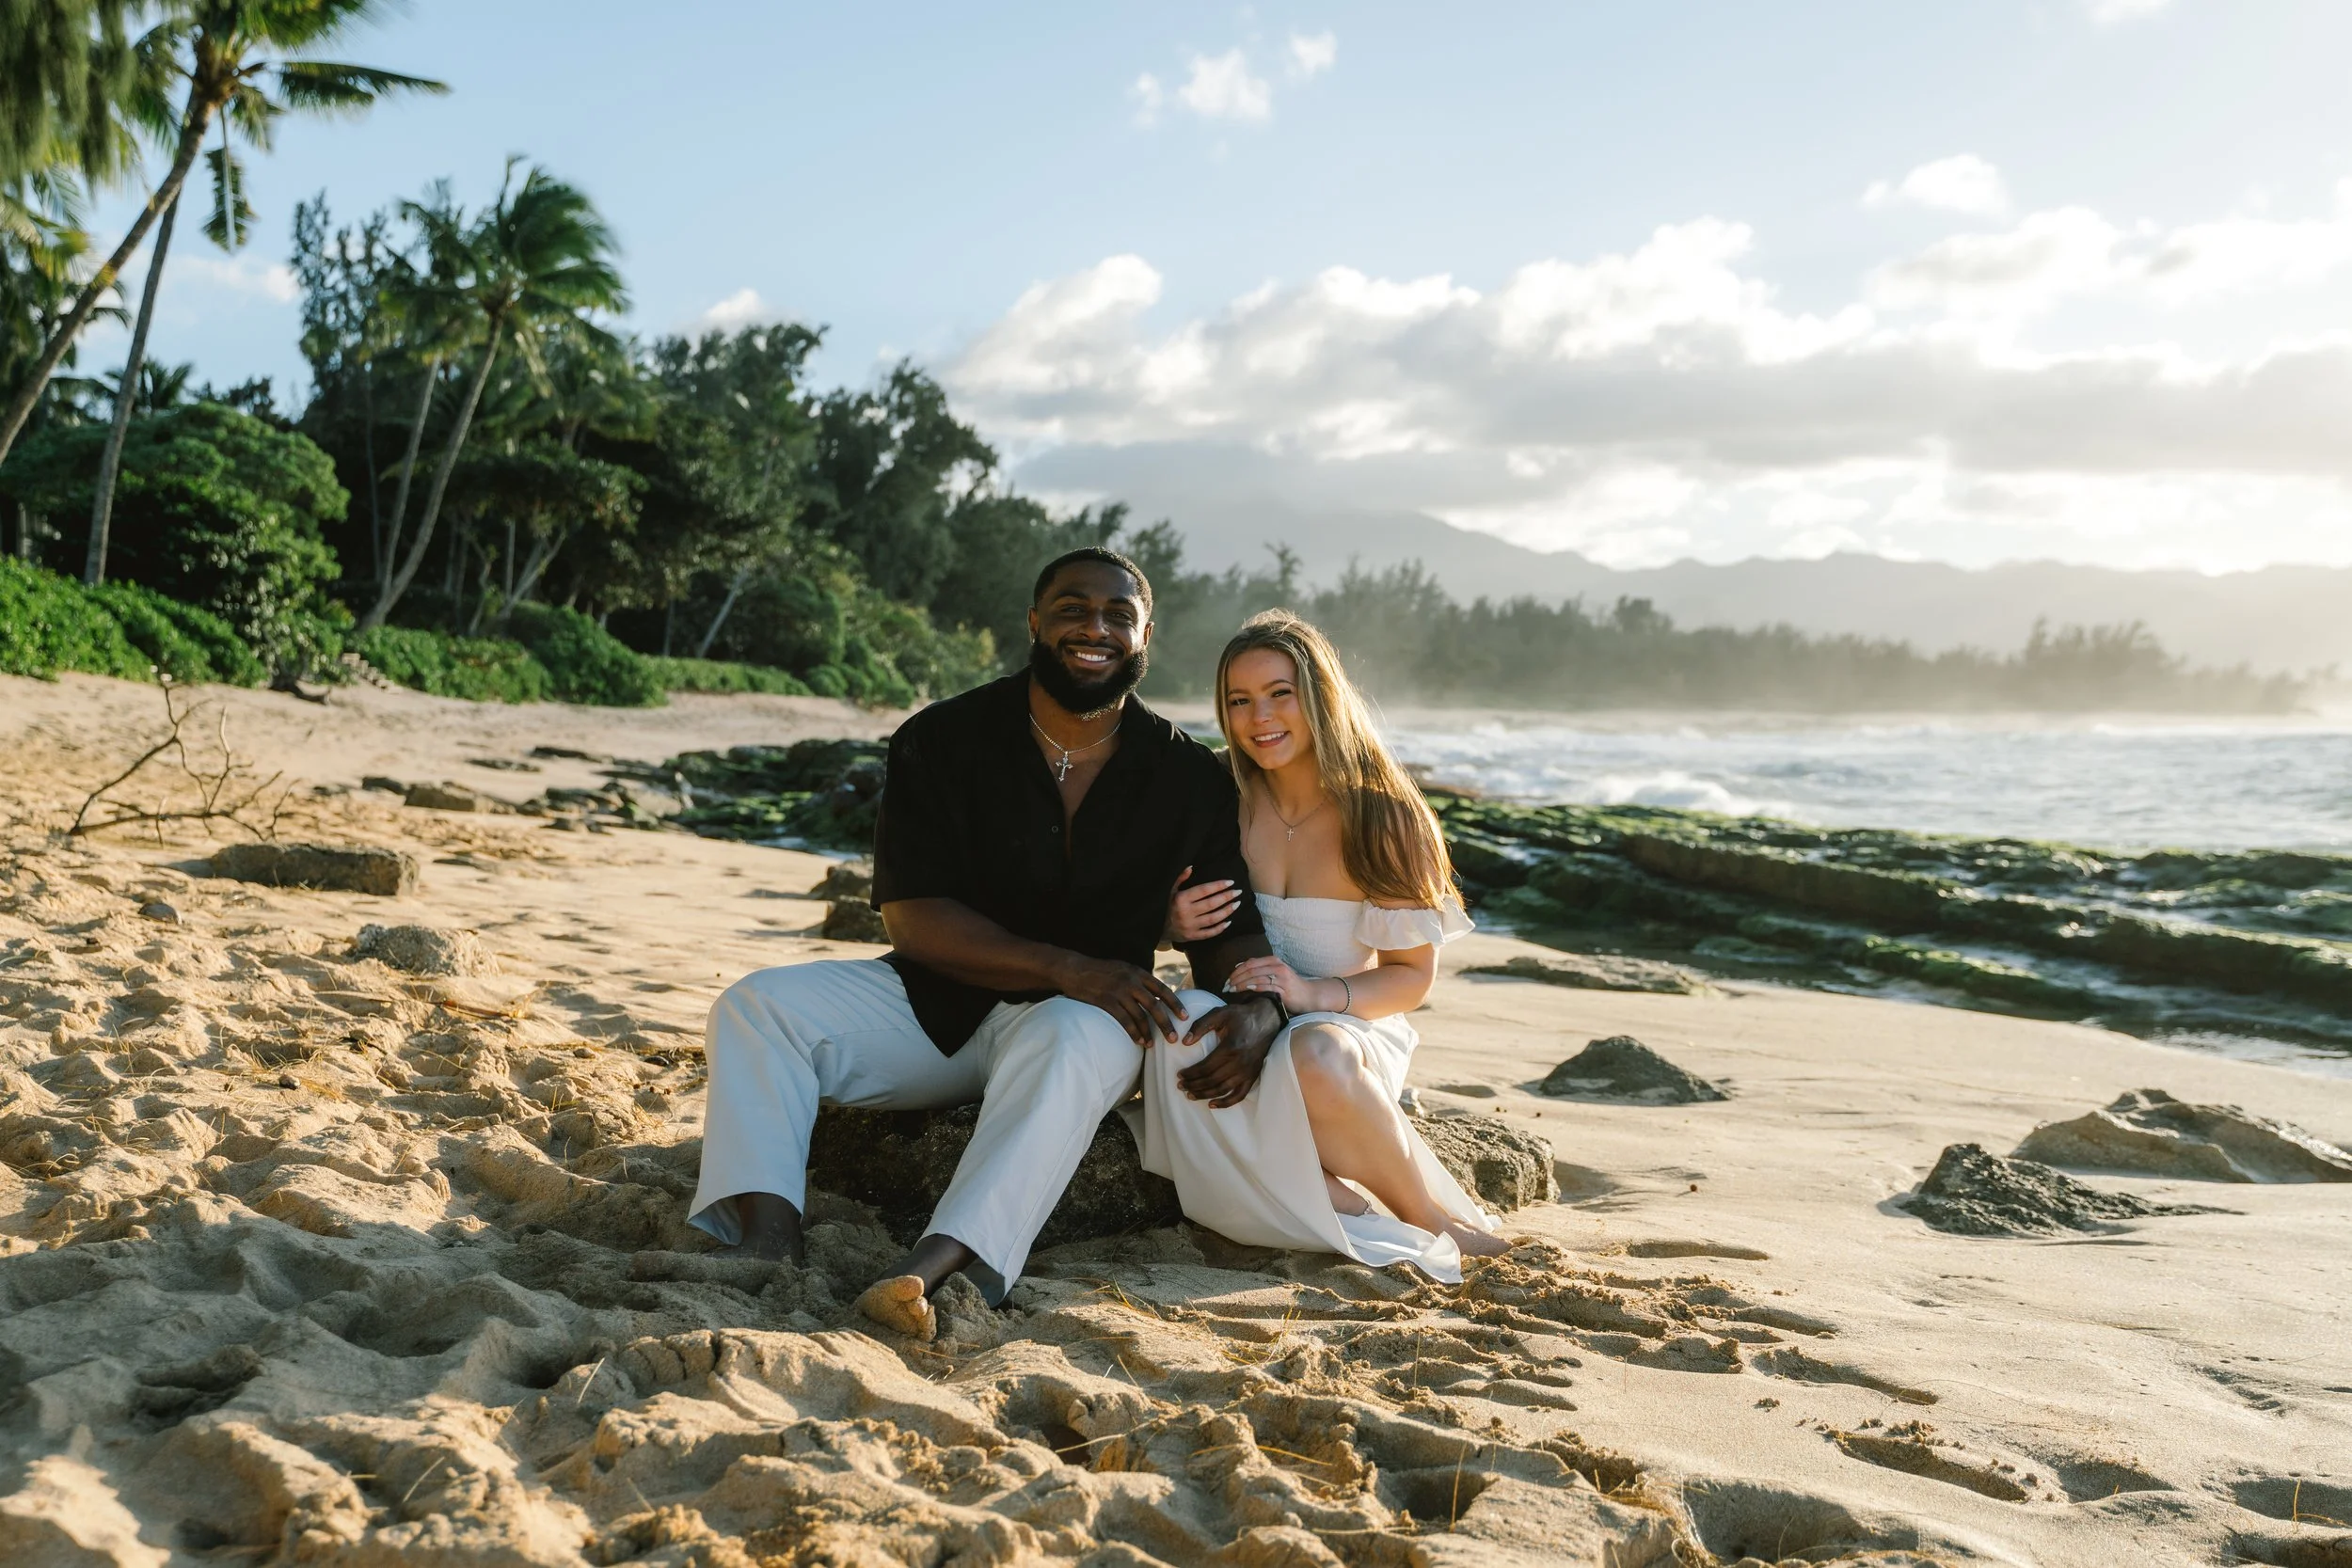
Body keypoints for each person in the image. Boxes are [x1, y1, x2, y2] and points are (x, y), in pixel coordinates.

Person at [686, 547, 1287, 1340]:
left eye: (1117, 614)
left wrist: (1261, 1007)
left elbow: (1226, 925)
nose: (1094, 627)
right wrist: (1069, 966)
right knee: (756, 1006)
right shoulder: (940, 738)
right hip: (936, 1000)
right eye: (1072, 607)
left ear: (1146, 636)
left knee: (1072, 1035)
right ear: (1036, 621)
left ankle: (940, 1268)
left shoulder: (1191, 777)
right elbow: (914, 917)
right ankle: (765, 1236)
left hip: (1085, 1023)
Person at [1141, 610, 1506, 1279]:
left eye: (1281, 692)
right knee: (1176, 1028)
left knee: (1312, 1048)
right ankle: (1351, 1207)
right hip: (1240, 1026)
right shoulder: (1215, 794)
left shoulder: (1380, 814)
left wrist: (1312, 994)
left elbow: (1409, 979)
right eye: (1239, 700)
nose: (1261, 717)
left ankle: (1427, 1220)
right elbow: (1128, 896)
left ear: (1319, 694)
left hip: (1347, 1028)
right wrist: (1167, 922)